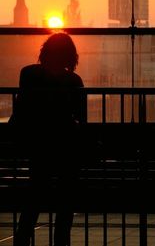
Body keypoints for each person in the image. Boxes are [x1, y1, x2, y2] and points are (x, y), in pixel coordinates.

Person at [11, 32, 85, 246]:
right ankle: (61, 241)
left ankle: (22, 239)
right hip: (65, 145)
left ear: (45, 51)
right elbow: (80, 117)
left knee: (34, 196)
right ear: (70, 55)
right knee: (65, 202)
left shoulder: (28, 74)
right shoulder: (73, 81)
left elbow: (22, 108)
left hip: (39, 144)